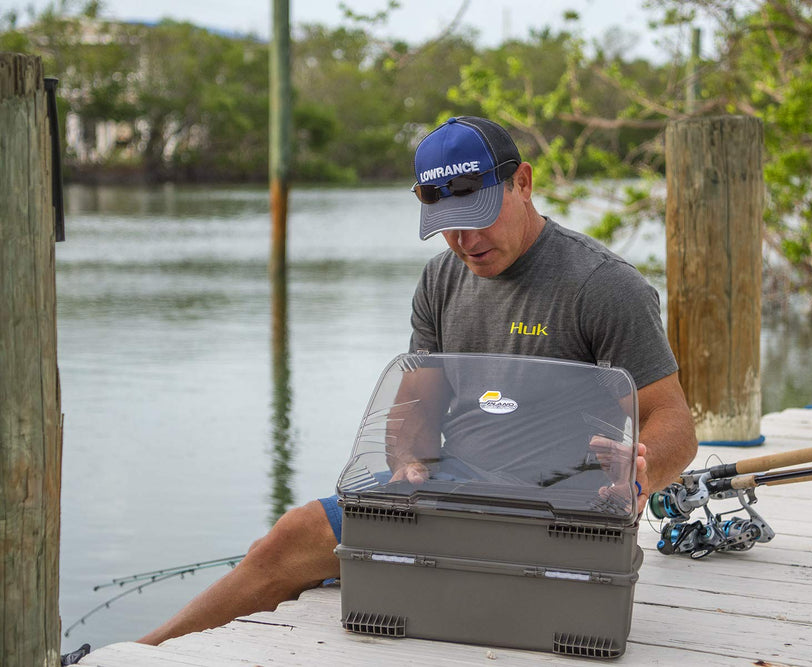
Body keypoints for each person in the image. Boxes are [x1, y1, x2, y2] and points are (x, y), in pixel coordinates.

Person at [136, 116, 697, 646]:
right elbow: (414, 415)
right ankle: (133, 654)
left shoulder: (604, 286)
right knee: (285, 538)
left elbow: (675, 423)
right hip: (450, 493)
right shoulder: (439, 280)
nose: (463, 240)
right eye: (446, 225)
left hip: (556, 511)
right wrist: (406, 461)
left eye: (477, 216)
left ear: (522, 183)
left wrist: (638, 473)